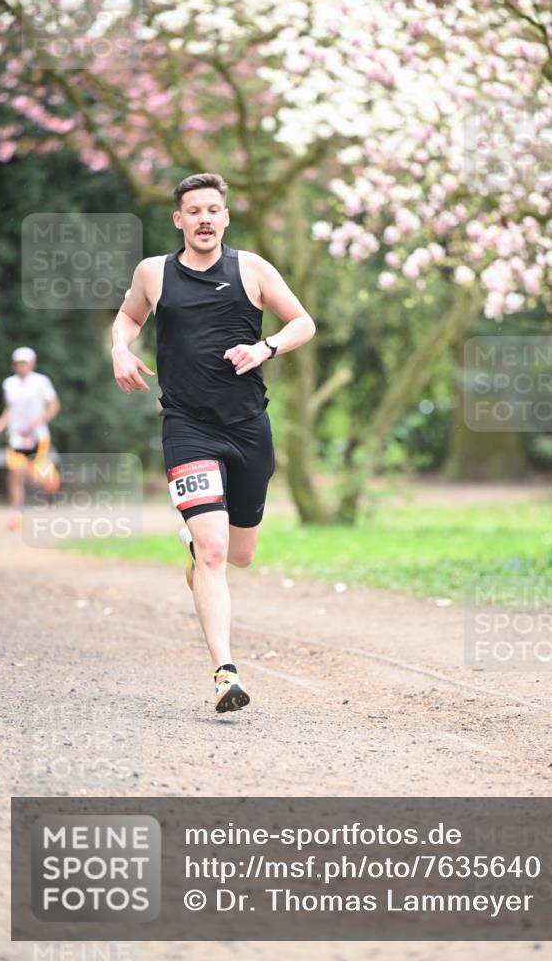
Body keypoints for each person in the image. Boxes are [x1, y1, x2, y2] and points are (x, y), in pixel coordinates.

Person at [111, 173, 316, 714]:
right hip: (187, 426)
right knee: (216, 552)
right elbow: (130, 317)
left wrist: (265, 347)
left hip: (248, 427)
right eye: (193, 211)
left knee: (241, 554)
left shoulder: (251, 269)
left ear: (225, 217)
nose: (204, 219)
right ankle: (226, 672)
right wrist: (119, 349)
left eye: (213, 210)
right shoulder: (154, 273)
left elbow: (303, 322)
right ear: (179, 220)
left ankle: (195, 548)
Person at [0, 346, 61, 530]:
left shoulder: (41, 382)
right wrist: (1, 423)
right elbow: (9, 409)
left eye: (24, 362)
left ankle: (49, 474)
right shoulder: (9, 384)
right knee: (16, 474)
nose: (21, 366)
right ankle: (17, 514)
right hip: (17, 437)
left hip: (37, 437)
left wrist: (40, 419)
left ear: (32, 363)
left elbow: (54, 405)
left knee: (34, 477)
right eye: (18, 363)